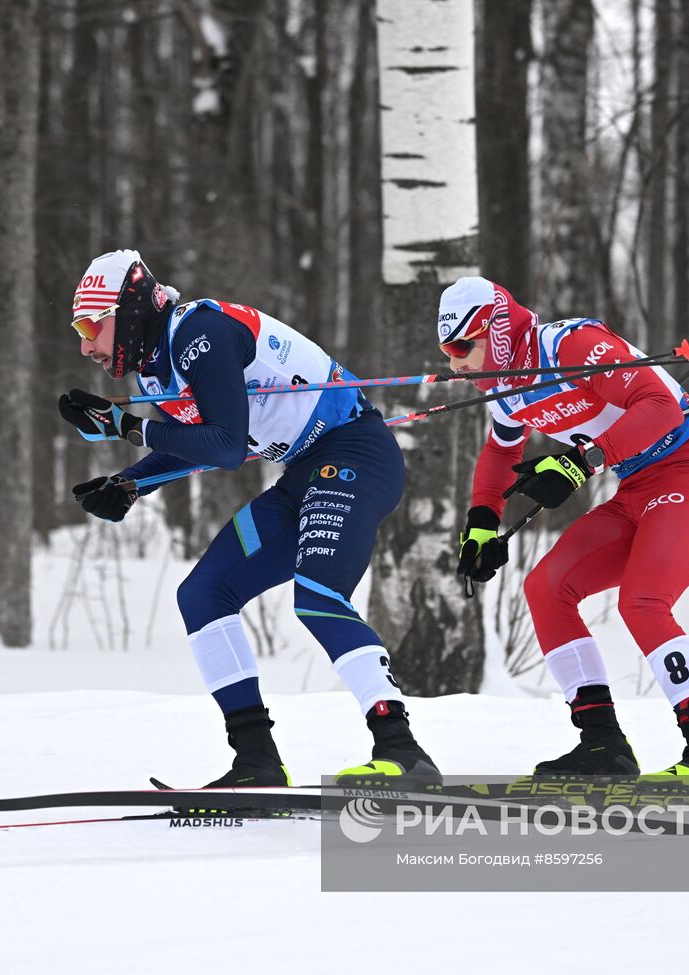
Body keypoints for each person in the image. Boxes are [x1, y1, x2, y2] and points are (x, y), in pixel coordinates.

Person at [58, 249, 441, 791]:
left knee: (317, 595)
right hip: (304, 472)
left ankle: (404, 754)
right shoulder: (156, 367)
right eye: (79, 330)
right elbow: (202, 443)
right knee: (202, 593)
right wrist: (130, 483)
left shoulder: (200, 334)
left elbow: (226, 443)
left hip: (357, 454)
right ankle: (257, 760)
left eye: (92, 326)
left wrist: (126, 427)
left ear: (130, 309)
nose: (85, 345)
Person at [440, 276, 689, 790]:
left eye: (462, 348)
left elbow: (660, 406)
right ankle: (602, 745)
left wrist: (583, 460)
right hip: (633, 490)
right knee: (546, 587)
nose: (455, 364)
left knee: (643, 601)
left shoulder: (569, 345)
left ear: (493, 333)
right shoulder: (502, 392)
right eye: (447, 351)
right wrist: (481, 525)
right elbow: (500, 454)